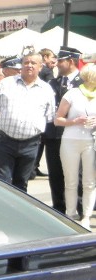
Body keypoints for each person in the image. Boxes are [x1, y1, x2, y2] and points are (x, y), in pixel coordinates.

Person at [0, 47, 55, 192]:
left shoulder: (46, 89)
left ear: (40, 67)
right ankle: (1, 213)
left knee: (21, 184)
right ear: (21, 65)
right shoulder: (5, 84)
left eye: (33, 63)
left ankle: (16, 214)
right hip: (5, 141)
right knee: (2, 182)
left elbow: (49, 116)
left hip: (31, 144)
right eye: (26, 62)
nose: (29, 65)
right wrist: (4, 120)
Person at [53, 62, 96, 228]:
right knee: (70, 180)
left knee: (90, 181)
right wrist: (74, 121)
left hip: (91, 141)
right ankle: (70, 213)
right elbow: (57, 120)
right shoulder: (72, 94)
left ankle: (86, 216)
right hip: (70, 140)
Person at [44, 46, 83, 213]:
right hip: (54, 134)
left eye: (60, 61)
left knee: (78, 173)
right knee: (55, 173)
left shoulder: (85, 83)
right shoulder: (52, 82)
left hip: (77, 134)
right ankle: (59, 207)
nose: (56, 63)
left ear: (71, 61)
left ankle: (80, 207)